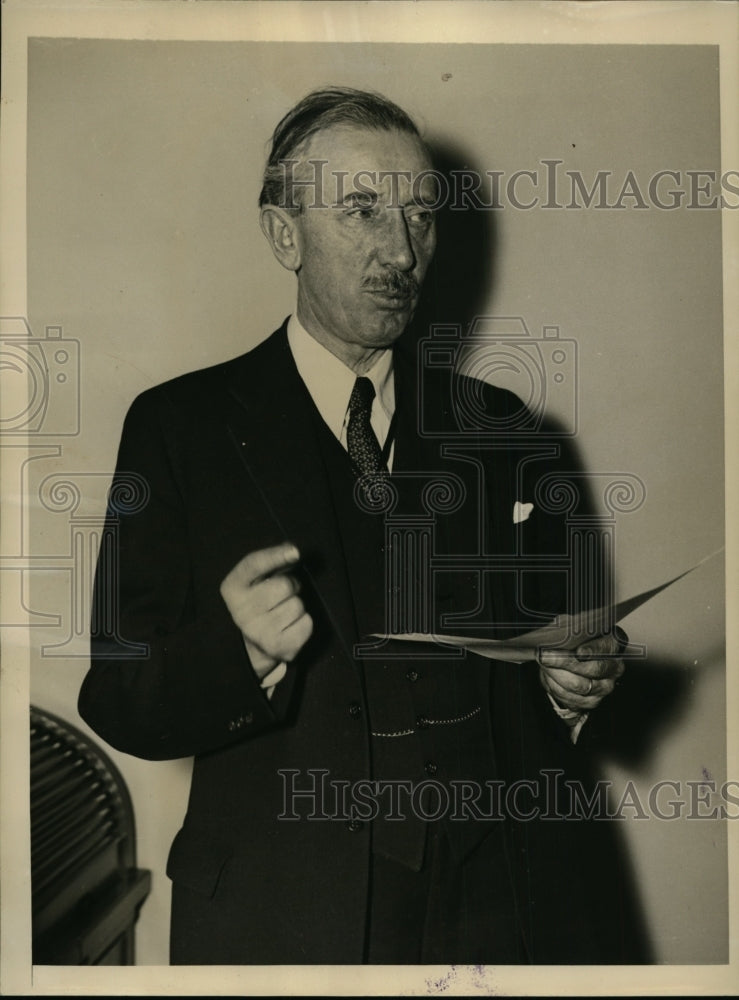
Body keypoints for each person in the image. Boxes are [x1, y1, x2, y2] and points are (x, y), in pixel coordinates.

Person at [78, 87, 648, 965]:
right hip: (281, 920)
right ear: (283, 234)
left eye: (421, 215)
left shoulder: (505, 433)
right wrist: (239, 654)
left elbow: (542, 675)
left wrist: (569, 686)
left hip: (495, 914)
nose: (401, 249)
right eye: (361, 211)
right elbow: (119, 699)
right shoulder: (177, 427)